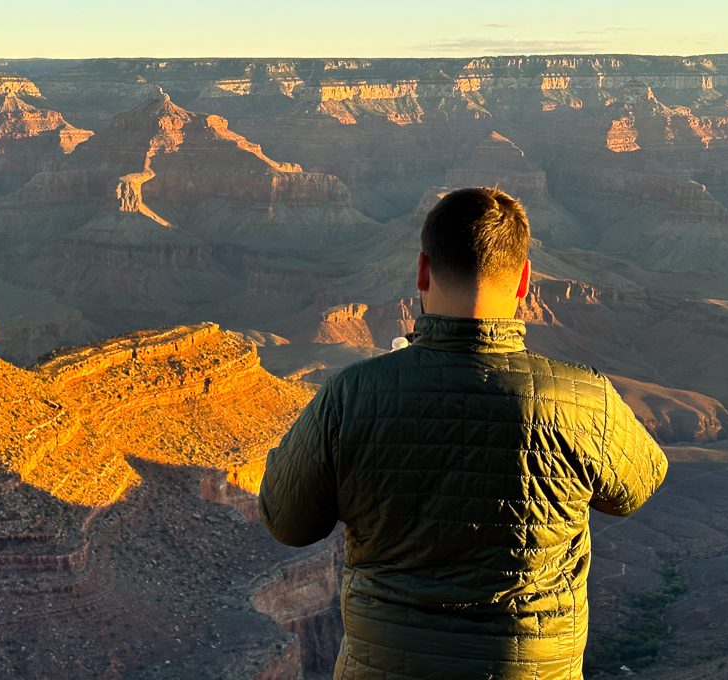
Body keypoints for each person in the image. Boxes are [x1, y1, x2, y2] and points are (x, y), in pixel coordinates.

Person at [258, 187, 668, 679]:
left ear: (423, 271)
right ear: (524, 282)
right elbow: (637, 487)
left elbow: (287, 520)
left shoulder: (352, 393)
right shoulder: (585, 399)